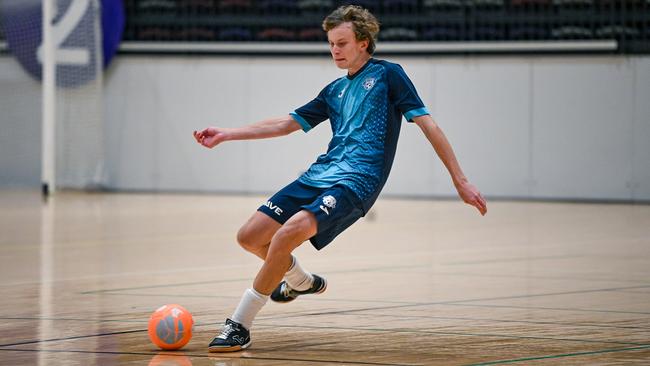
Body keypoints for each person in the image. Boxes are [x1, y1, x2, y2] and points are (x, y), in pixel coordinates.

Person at [193, 5, 487, 353]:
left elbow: (429, 125)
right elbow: (285, 124)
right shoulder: (333, 91)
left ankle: (239, 324)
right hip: (320, 173)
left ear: (363, 42)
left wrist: (460, 180)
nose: (335, 50)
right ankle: (300, 280)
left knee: (286, 235)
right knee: (250, 236)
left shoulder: (388, 75)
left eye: (342, 43)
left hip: (356, 183)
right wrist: (227, 134)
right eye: (331, 43)